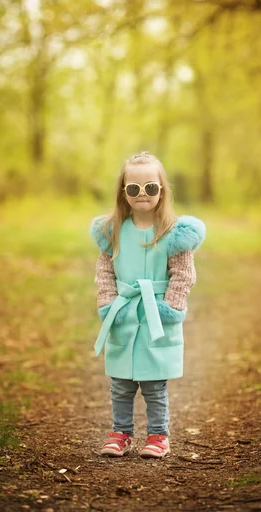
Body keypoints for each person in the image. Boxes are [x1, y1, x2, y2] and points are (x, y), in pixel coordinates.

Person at [89, 151, 206, 459]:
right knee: (121, 382)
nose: (142, 194)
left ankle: (158, 436)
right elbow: (105, 272)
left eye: (150, 187)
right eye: (134, 188)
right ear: (123, 192)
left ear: (162, 190)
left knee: (154, 383)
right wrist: (107, 303)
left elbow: (183, 274)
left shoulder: (173, 233)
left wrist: (172, 306)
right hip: (124, 314)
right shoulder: (112, 231)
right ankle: (121, 432)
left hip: (157, 316)